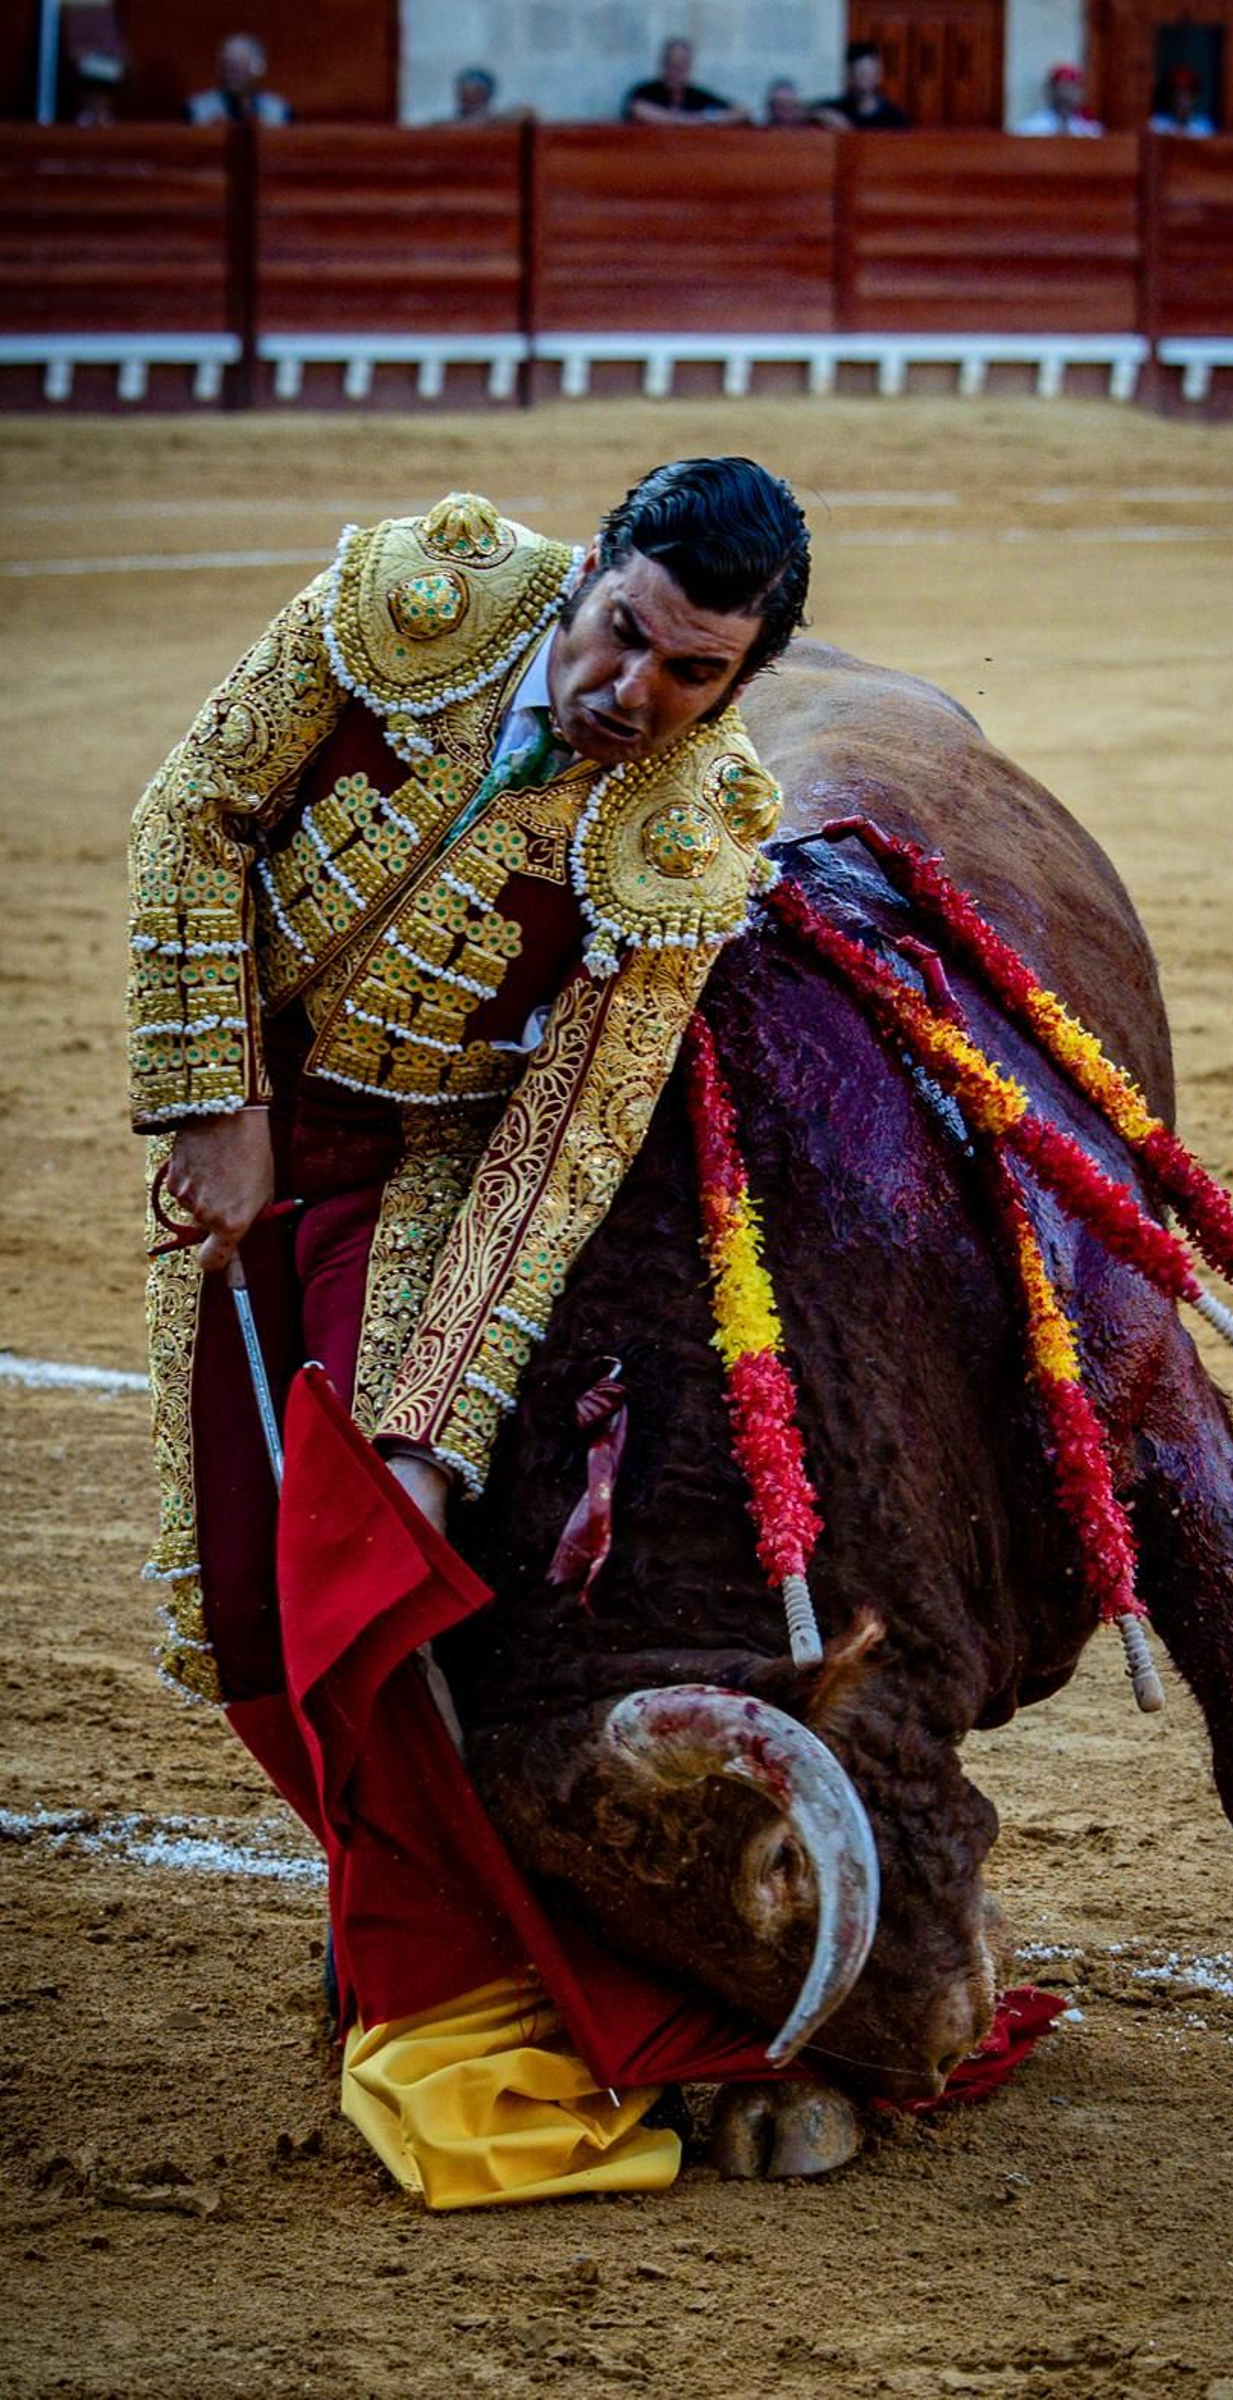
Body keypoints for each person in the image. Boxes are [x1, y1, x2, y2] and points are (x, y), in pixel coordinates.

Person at [129, 460, 809, 2201]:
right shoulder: (416, 598)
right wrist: (215, 1097)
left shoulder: (693, 827)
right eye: (623, 636)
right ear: (586, 572)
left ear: (742, 678)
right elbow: (195, 810)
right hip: (260, 1117)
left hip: (428, 1170)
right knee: (228, 1613)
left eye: (690, 675)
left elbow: (555, 1152)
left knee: (364, 1572)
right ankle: (420, 1933)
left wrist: (436, 1421)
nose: (629, 693)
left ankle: (475, 2006)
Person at [622, 36, 747, 126]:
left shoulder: (699, 95)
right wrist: (687, 120)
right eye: (672, 64)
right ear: (663, 64)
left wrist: (709, 117)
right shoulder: (646, 91)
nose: (676, 70)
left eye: (682, 65)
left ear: (689, 67)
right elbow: (637, 109)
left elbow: (740, 112)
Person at [813, 41, 910, 132]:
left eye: (868, 73)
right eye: (858, 74)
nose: (863, 80)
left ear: (878, 75)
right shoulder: (837, 107)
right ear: (848, 76)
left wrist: (847, 129)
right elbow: (801, 113)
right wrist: (822, 115)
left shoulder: (894, 118)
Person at [1013, 63, 1104, 137]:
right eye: (1062, 88)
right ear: (1051, 91)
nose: (1066, 94)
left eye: (1072, 88)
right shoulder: (1031, 128)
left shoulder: (1090, 128)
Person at [1148, 64, 1214, 136]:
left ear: (1194, 99)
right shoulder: (1157, 124)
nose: (1182, 103)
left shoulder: (1204, 127)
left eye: (1187, 97)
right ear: (1171, 99)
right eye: (1178, 97)